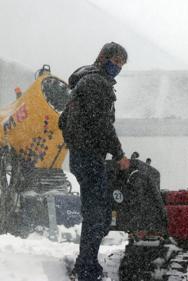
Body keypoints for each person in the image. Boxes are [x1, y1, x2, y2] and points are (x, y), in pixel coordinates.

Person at [66, 42, 130, 281]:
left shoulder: (86, 80)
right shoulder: (96, 83)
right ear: (103, 58)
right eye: (115, 62)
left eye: (122, 65)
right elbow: (102, 124)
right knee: (98, 215)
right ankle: (85, 270)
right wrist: (119, 154)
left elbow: (68, 121)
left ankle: (86, 264)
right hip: (89, 156)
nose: (118, 67)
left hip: (84, 155)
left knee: (97, 214)